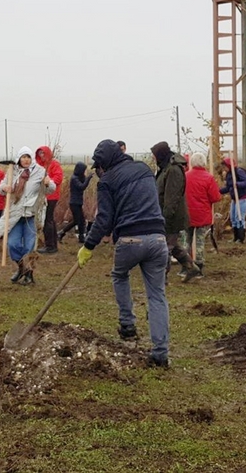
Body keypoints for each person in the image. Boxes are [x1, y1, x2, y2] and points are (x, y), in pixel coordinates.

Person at [76, 139, 171, 368]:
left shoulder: (107, 181)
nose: (99, 171)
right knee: (157, 295)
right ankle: (161, 353)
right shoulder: (144, 169)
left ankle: (127, 324)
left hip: (130, 240)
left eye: (99, 166)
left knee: (120, 275)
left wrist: (88, 246)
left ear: (106, 162)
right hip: (158, 238)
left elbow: (104, 219)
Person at [0, 146, 55, 285]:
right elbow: (1, 188)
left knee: (30, 248)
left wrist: (47, 183)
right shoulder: (13, 171)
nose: (26, 160)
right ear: (19, 159)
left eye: (28, 157)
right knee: (12, 244)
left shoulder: (39, 172)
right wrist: (5, 188)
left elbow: (51, 189)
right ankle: (22, 268)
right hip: (16, 215)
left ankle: (29, 275)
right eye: (23, 157)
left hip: (32, 215)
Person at [150, 142, 201, 283]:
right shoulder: (166, 168)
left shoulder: (173, 170)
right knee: (173, 245)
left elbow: (172, 198)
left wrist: (165, 218)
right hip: (165, 214)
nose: (154, 158)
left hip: (171, 216)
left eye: (155, 155)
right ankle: (191, 268)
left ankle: (161, 278)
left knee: (164, 248)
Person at [185, 152, 221, 276]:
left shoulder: (185, 177)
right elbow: (215, 197)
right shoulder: (208, 178)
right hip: (202, 214)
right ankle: (199, 266)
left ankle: (186, 265)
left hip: (187, 213)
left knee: (187, 240)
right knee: (200, 240)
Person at [35, 146, 63, 254]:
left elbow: (58, 178)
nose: (42, 155)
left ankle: (50, 246)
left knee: (47, 220)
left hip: (51, 196)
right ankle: (52, 244)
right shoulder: (39, 166)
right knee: (50, 220)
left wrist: (48, 181)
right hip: (42, 196)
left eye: (43, 153)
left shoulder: (54, 164)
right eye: (40, 153)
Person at [57, 162, 93, 244]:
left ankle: (81, 238)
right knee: (76, 221)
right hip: (74, 203)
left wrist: (85, 177)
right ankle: (61, 233)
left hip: (78, 202)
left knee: (82, 220)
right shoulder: (74, 179)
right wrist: (88, 178)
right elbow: (82, 187)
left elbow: (83, 182)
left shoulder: (78, 177)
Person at [220, 157, 246, 243]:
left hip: (243, 198)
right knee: (233, 218)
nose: (224, 169)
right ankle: (235, 237)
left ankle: (241, 238)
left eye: (225, 167)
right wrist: (218, 191)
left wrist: (237, 184)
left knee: (239, 217)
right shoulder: (228, 175)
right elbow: (228, 187)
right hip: (235, 198)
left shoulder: (239, 172)